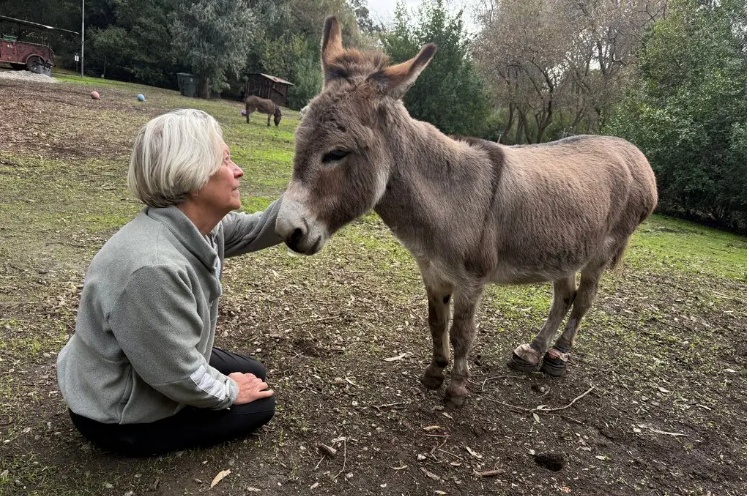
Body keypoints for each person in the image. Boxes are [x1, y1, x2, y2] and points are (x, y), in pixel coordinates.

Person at [57, 108, 283, 456]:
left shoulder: (196, 228)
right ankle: (140, 433)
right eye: (225, 161)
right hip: (115, 414)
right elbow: (179, 375)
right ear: (192, 178)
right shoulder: (153, 268)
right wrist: (230, 392)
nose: (239, 171)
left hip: (147, 360)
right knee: (258, 405)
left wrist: (318, 193)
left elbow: (259, 228)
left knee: (253, 371)